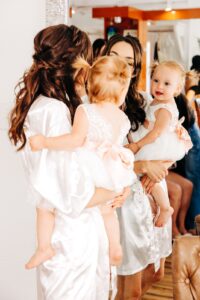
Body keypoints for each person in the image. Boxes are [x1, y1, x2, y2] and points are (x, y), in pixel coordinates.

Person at [8, 24, 129, 299]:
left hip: (74, 236)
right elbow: (71, 193)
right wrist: (113, 189)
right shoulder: (54, 111)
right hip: (72, 240)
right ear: (76, 62)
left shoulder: (59, 106)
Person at [28, 55, 136, 268]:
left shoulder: (85, 110)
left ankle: (44, 247)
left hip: (90, 166)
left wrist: (44, 141)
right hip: (112, 169)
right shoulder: (123, 119)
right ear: (122, 92)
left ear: (90, 84)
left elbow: (75, 140)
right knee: (108, 211)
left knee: (45, 203)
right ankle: (115, 247)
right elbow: (117, 147)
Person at [103, 34, 172, 300]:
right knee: (126, 289)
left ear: (136, 69)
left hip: (147, 193)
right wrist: (142, 165)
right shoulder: (93, 102)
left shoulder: (144, 101)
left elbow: (169, 144)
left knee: (156, 274)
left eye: (129, 62)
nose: (121, 66)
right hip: (121, 203)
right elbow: (98, 161)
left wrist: (159, 167)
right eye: (115, 57)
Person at [128, 61, 193, 227]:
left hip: (156, 143)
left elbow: (156, 132)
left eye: (166, 83)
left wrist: (136, 145)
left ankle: (165, 207)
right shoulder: (155, 101)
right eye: (156, 80)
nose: (159, 86)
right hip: (152, 139)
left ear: (177, 89)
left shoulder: (164, 108)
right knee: (148, 176)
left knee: (151, 178)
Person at [174, 93, 200, 232]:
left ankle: (193, 226)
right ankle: (191, 226)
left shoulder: (173, 95)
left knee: (194, 182)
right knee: (194, 181)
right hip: (191, 133)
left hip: (190, 136)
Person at [166, 170, 193, 237]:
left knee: (188, 186)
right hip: (144, 170)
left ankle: (182, 227)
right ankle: (173, 228)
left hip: (162, 168)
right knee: (176, 190)